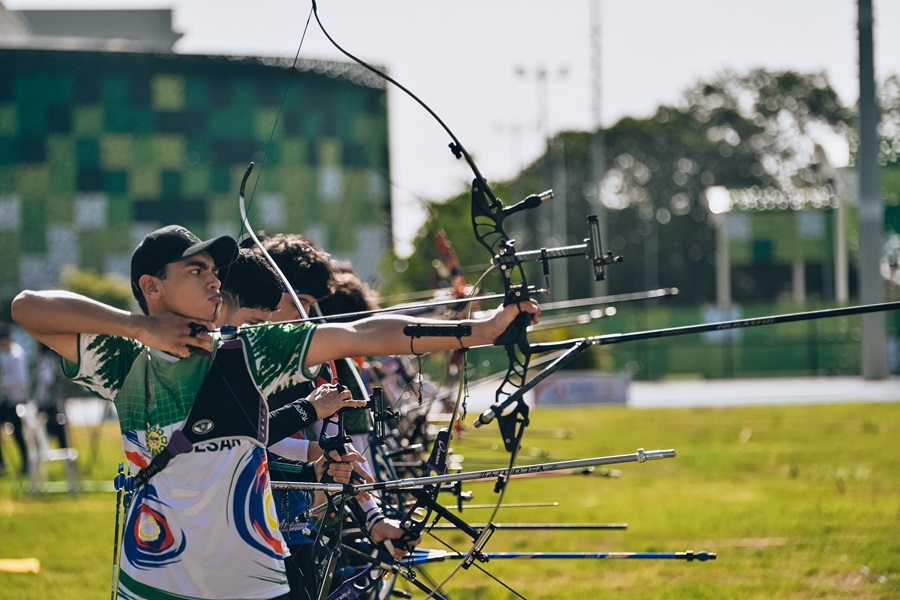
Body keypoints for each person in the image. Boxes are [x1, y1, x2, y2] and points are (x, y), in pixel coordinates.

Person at [11, 224, 539, 600]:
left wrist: (484, 330)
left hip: (253, 580)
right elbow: (26, 306)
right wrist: (140, 328)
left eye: (215, 270)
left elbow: (362, 333)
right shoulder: (122, 359)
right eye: (195, 270)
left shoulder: (249, 349)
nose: (214, 279)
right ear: (152, 286)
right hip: (154, 579)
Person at [0, 323, 30, 475]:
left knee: (18, 433)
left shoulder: (16, 354)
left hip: (16, 399)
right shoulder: (3, 354)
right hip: (4, 400)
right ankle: (1, 464)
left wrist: (2, 382)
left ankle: (26, 463)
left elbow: (19, 378)